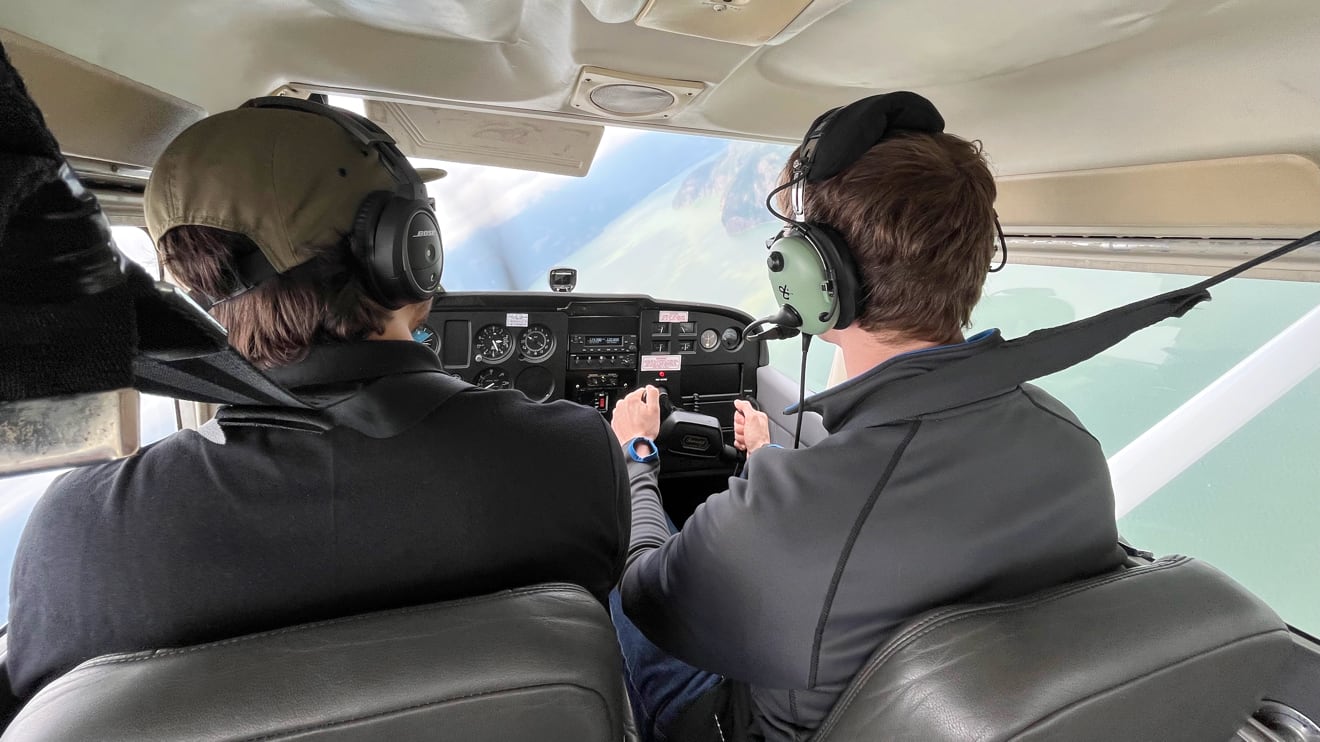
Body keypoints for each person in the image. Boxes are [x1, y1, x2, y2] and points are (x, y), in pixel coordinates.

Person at [6, 100, 629, 698]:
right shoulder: (566, 456)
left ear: (197, 286)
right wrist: (640, 461)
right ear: (407, 251)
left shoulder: (78, 537)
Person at [608, 94, 1127, 742]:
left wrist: (636, 457)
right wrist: (775, 465)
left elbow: (645, 592)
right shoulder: (1068, 441)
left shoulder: (784, 511)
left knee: (612, 591)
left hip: (756, 726)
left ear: (813, 277)